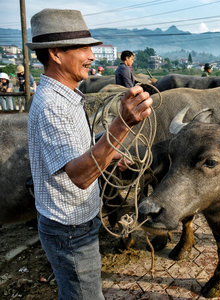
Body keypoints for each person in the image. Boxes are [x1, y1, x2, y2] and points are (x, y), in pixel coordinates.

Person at [26, 8, 153, 300]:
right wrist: (121, 126)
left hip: (76, 222)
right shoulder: (52, 106)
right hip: (69, 228)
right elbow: (82, 176)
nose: (92, 56)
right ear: (56, 53)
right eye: (83, 48)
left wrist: (111, 150)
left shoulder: (66, 95)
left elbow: (75, 148)